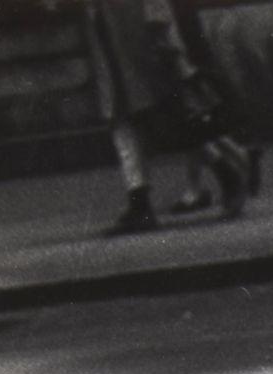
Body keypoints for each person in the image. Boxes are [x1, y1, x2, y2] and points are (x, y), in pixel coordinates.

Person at [87, 0, 257, 233]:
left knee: (164, 121)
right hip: (114, 36)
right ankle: (141, 201)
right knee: (126, 120)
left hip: (139, 40)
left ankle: (225, 172)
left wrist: (161, 30)